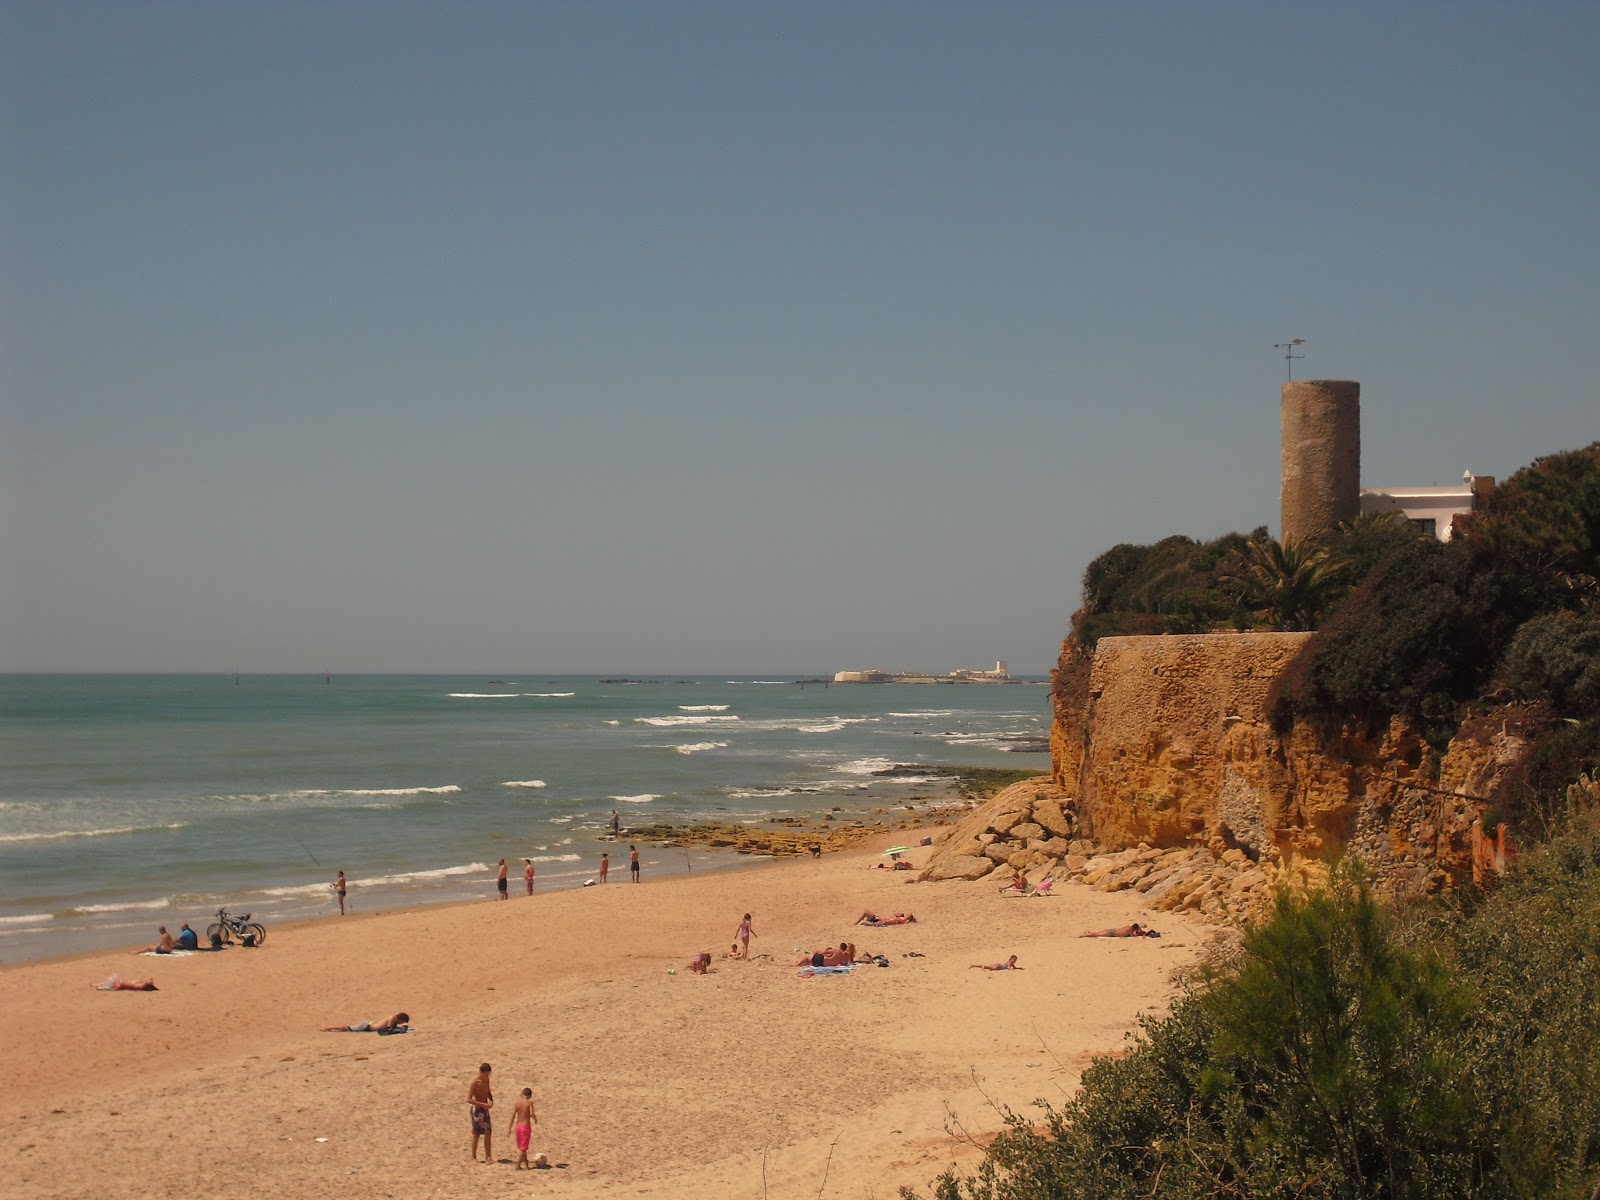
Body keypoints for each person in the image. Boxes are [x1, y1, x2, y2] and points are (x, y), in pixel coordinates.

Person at [467, 1063, 494, 1162]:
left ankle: (488, 1157)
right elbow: (469, 1099)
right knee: (477, 1133)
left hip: (485, 1109)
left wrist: (491, 1101)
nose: (487, 1076)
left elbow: (488, 1092)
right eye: (485, 1074)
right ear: (481, 1072)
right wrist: (482, 1104)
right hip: (477, 1110)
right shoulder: (475, 1083)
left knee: (488, 1132)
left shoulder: (487, 1080)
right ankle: (473, 1157)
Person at [510, 1087, 538, 1169]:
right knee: (523, 1148)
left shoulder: (517, 1103)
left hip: (518, 1127)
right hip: (525, 1127)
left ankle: (526, 1165)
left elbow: (513, 1116)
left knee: (522, 1147)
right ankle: (518, 1165)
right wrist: (535, 1119)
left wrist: (509, 1127)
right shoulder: (529, 1103)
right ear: (529, 1096)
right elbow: (531, 1113)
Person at [323, 1012, 409, 1032]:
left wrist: (400, 1027)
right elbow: (388, 1029)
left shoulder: (394, 1019)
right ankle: (330, 1027)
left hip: (370, 1024)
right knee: (348, 1028)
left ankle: (330, 1027)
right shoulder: (392, 1018)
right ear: (400, 1019)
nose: (402, 1023)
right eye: (402, 1022)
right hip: (367, 1026)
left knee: (349, 1027)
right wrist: (399, 1029)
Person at [1080, 923, 1152, 938]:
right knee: (1096, 934)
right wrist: (1140, 932)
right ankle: (1083, 935)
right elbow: (1133, 936)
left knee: (1097, 933)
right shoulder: (1130, 930)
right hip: (1112, 933)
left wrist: (1139, 930)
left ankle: (1087, 933)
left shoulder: (1128, 927)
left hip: (1112, 931)